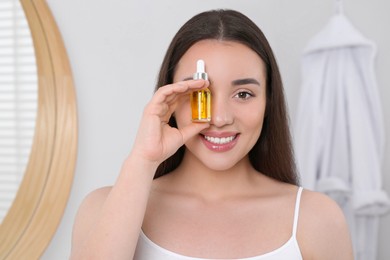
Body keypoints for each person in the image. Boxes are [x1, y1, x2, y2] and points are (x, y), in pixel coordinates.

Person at [70, 9, 354, 260]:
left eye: (243, 94)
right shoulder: (101, 210)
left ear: (269, 102)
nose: (219, 118)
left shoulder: (316, 219)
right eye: (199, 94)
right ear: (170, 98)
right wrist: (143, 160)